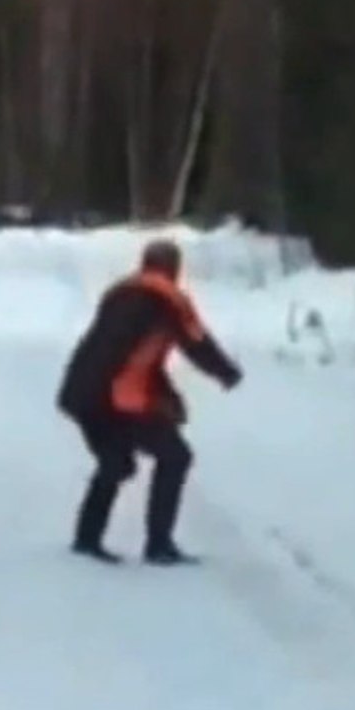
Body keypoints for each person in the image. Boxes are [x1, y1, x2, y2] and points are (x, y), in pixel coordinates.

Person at [56, 239, 242, 565]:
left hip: (81, 393)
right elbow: (196, 343)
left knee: (116, 463)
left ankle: (87, 539)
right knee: (175, 456)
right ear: (175, 268)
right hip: (117, 397)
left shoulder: (119, 292)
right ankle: (159, 544)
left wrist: (165, 395)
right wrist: (226, 372)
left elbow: (134, 354)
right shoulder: (169, 299)